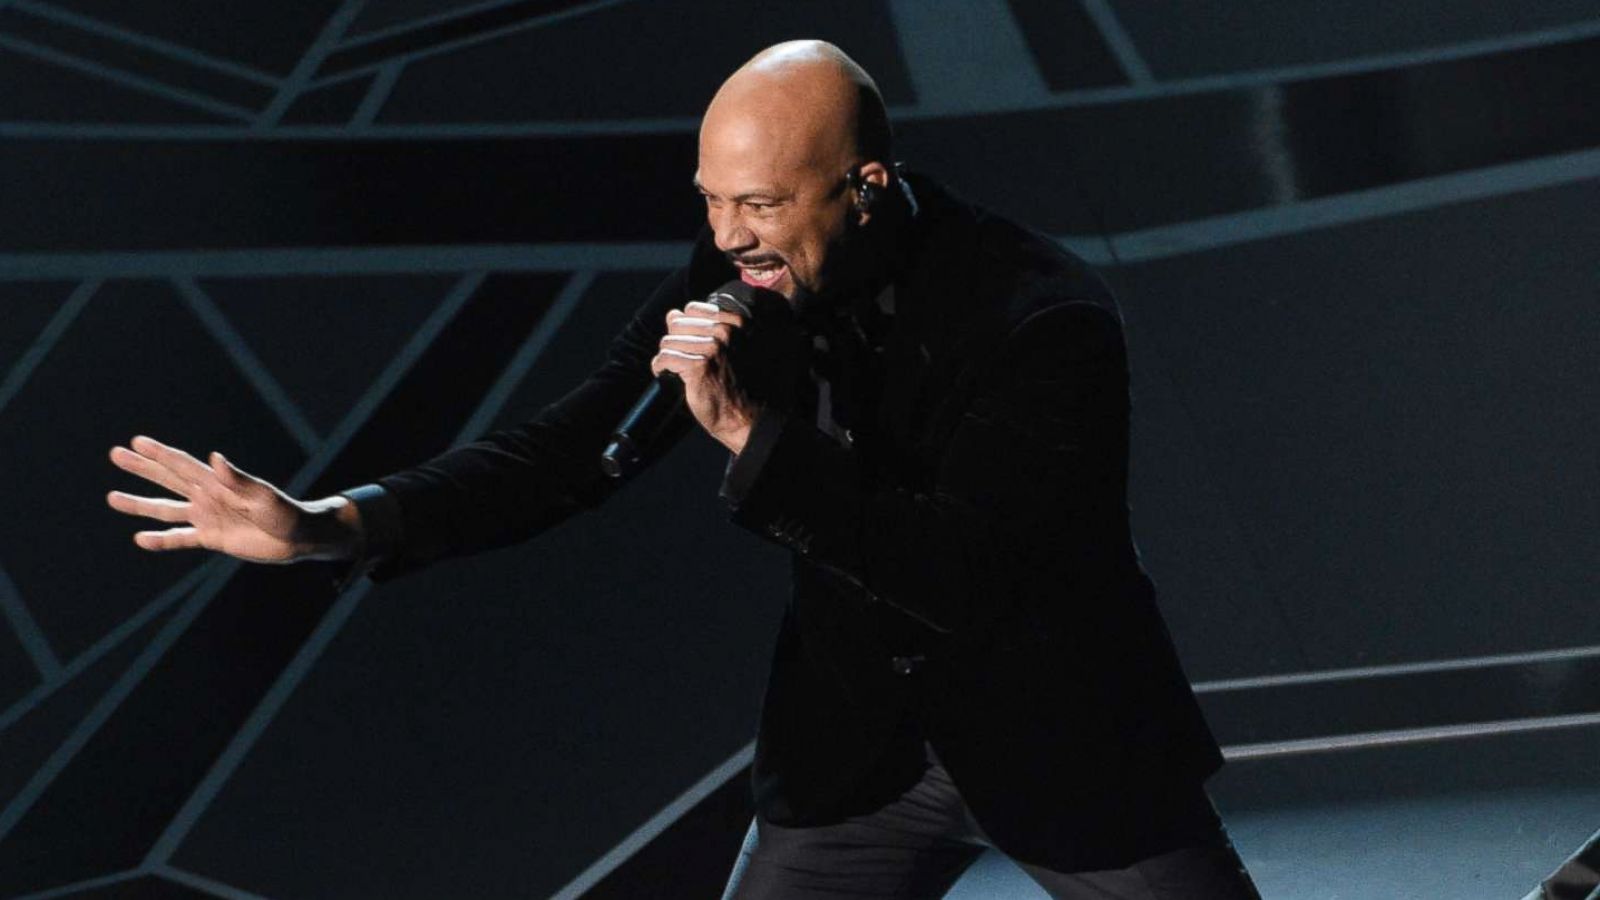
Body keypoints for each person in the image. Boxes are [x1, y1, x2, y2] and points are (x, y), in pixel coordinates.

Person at [107, 41, 1260, 900]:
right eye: (710, 204)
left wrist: (758, 442)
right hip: (857, 756)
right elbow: (569, 445)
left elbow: (970, 575)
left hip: (1060, 735)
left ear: (865, 185)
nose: (729, 237)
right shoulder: (738, 278)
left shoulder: (1040, 318)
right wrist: (334, 526)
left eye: (759, 204)